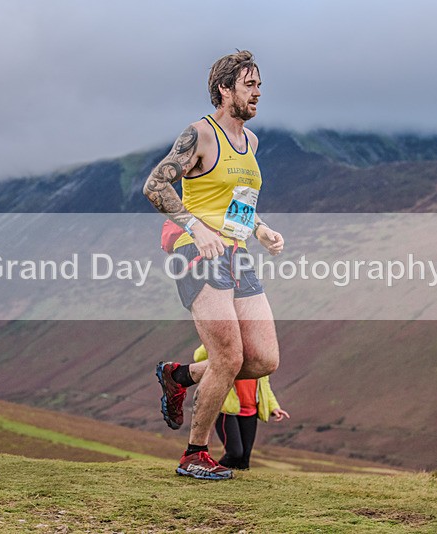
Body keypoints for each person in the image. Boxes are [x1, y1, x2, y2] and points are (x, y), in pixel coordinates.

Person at [143, 50, 284, 480]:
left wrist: (260, 229)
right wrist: (195, 227)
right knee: (227, 355)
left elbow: (239, 202)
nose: (258, 93)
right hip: (196, 251)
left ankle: (179, 376)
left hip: (236, 252)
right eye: (249, 85)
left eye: (259, 85)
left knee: (263, 359)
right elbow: (155, 184)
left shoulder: (251, 142)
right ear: (224, 89)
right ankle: (194, 454)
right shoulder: (200, 135)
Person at [193, 345, 289, 470]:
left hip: (250, 412)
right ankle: (212, 471)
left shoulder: (258, 359)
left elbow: (264, 387)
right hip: (227, 411)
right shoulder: (231, 350)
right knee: (235, 453)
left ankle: (232, 480)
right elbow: (198, 356)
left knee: (244, 460)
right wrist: (218, 339)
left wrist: (273, 407)